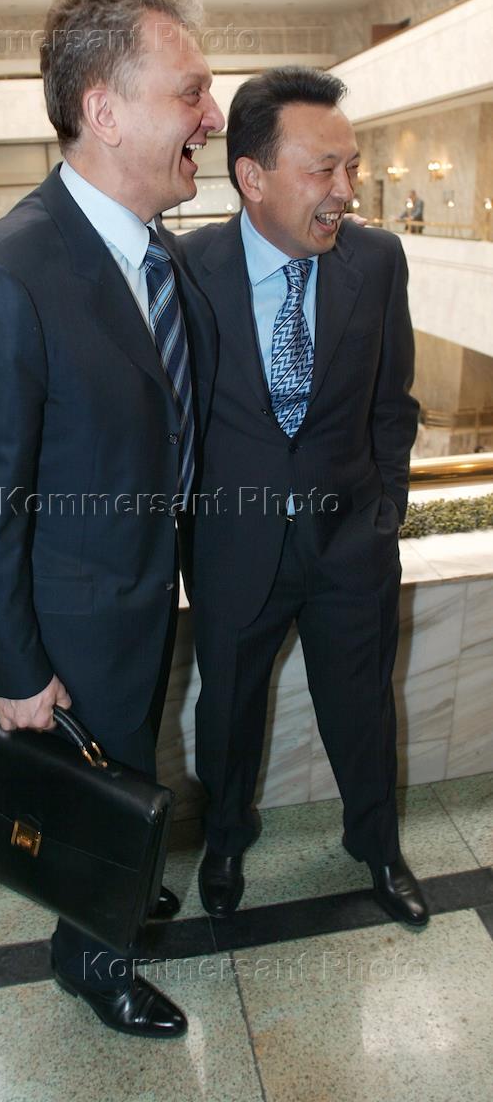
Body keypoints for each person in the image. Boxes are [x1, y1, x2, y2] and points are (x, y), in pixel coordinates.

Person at [0, 0, 223, 1039]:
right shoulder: (2, 276)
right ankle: (95, 961)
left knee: (124, 783)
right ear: (105, 110)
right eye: (190, 93)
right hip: (68, 633)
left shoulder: (159, 255)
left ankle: (116, 884)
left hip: (142, 601)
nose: (213, 116)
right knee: (102, 788)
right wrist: (12, 671)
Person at [179, 67, 429, 930]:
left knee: (362, 711)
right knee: (227, 712)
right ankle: (224, 838)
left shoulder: (377, 261)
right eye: (323, 170)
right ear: (252, 177)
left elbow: (393, 405)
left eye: (349, 166)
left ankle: (378, 846)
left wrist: (384, 516)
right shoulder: (185, 270)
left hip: (351, 546)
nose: (346, 190)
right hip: (233, 550)